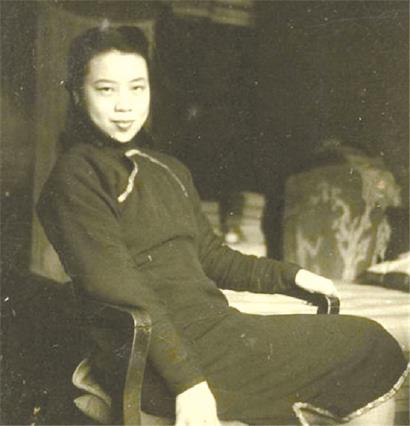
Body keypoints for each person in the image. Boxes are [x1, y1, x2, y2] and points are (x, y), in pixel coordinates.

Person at [37, 25, 408, 426]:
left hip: (216, 330)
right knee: (369, 347)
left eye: (137, 88)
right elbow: (121, 289)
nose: (124, 105)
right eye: (106, 90)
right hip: (155, 357)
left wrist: (292, 276)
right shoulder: (77, 175)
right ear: (78, 95)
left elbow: (212, 256)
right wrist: (189, 384)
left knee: (367, 344)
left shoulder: (168, 168)